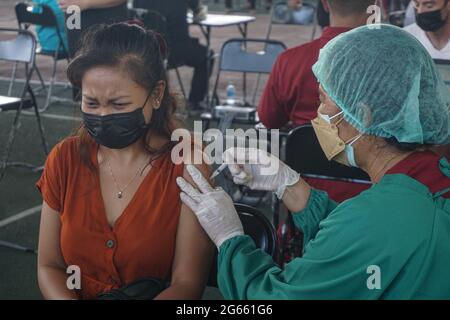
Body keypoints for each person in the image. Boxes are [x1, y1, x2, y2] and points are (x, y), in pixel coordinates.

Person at [177, 24, 450, 299]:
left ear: (363, 115)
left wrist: (230, 239)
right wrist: (290, 185)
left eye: (323, 100)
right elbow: (361, 242)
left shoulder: (378, 218)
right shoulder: (432, 180)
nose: (318, 114)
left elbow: (275, 298)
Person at [36, 23, 214, 300]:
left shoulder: (188, 164)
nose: (104, 115)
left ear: (156, 95)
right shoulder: (64, 159)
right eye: (91, 103)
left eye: (118, 105)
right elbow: (49, 266)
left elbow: (186, 283)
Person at [259, 0, 376, 202]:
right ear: (374, 4)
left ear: (325, 4)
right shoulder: (390, 64)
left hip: (303, 199)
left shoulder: (290, 60)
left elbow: (269, 120)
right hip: (372, 199)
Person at [134, 0, 214, 112]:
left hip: (145, 50)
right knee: (207, 56)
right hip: (174, 50)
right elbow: (200, 14)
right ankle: (194, 102)